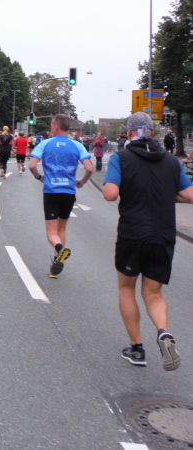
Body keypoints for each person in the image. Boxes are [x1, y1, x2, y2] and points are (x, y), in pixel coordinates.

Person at [103, 112, 193, 370]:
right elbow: (189, 195)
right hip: (163, 236)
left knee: (126, 288)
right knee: (153, 293)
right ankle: (163, 332)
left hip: (132, 234)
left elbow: (110, 194)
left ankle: (137, 349)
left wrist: (125, 189)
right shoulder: (171, 161)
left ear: (130, 132)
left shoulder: (121, 158)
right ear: (152, 132)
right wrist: (164, 194)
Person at [28, 114, 93, 278]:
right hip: (69, 192)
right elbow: (90, 168)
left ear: (56, 126)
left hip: (51, 191)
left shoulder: (45, 144)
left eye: (51, 125)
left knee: (51, 232)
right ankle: (57, 265)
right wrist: (82, 182)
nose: (51, 128)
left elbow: (32, 165)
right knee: (61, 228)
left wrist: (39, 177)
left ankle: (59, 248)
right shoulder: (77, 145)